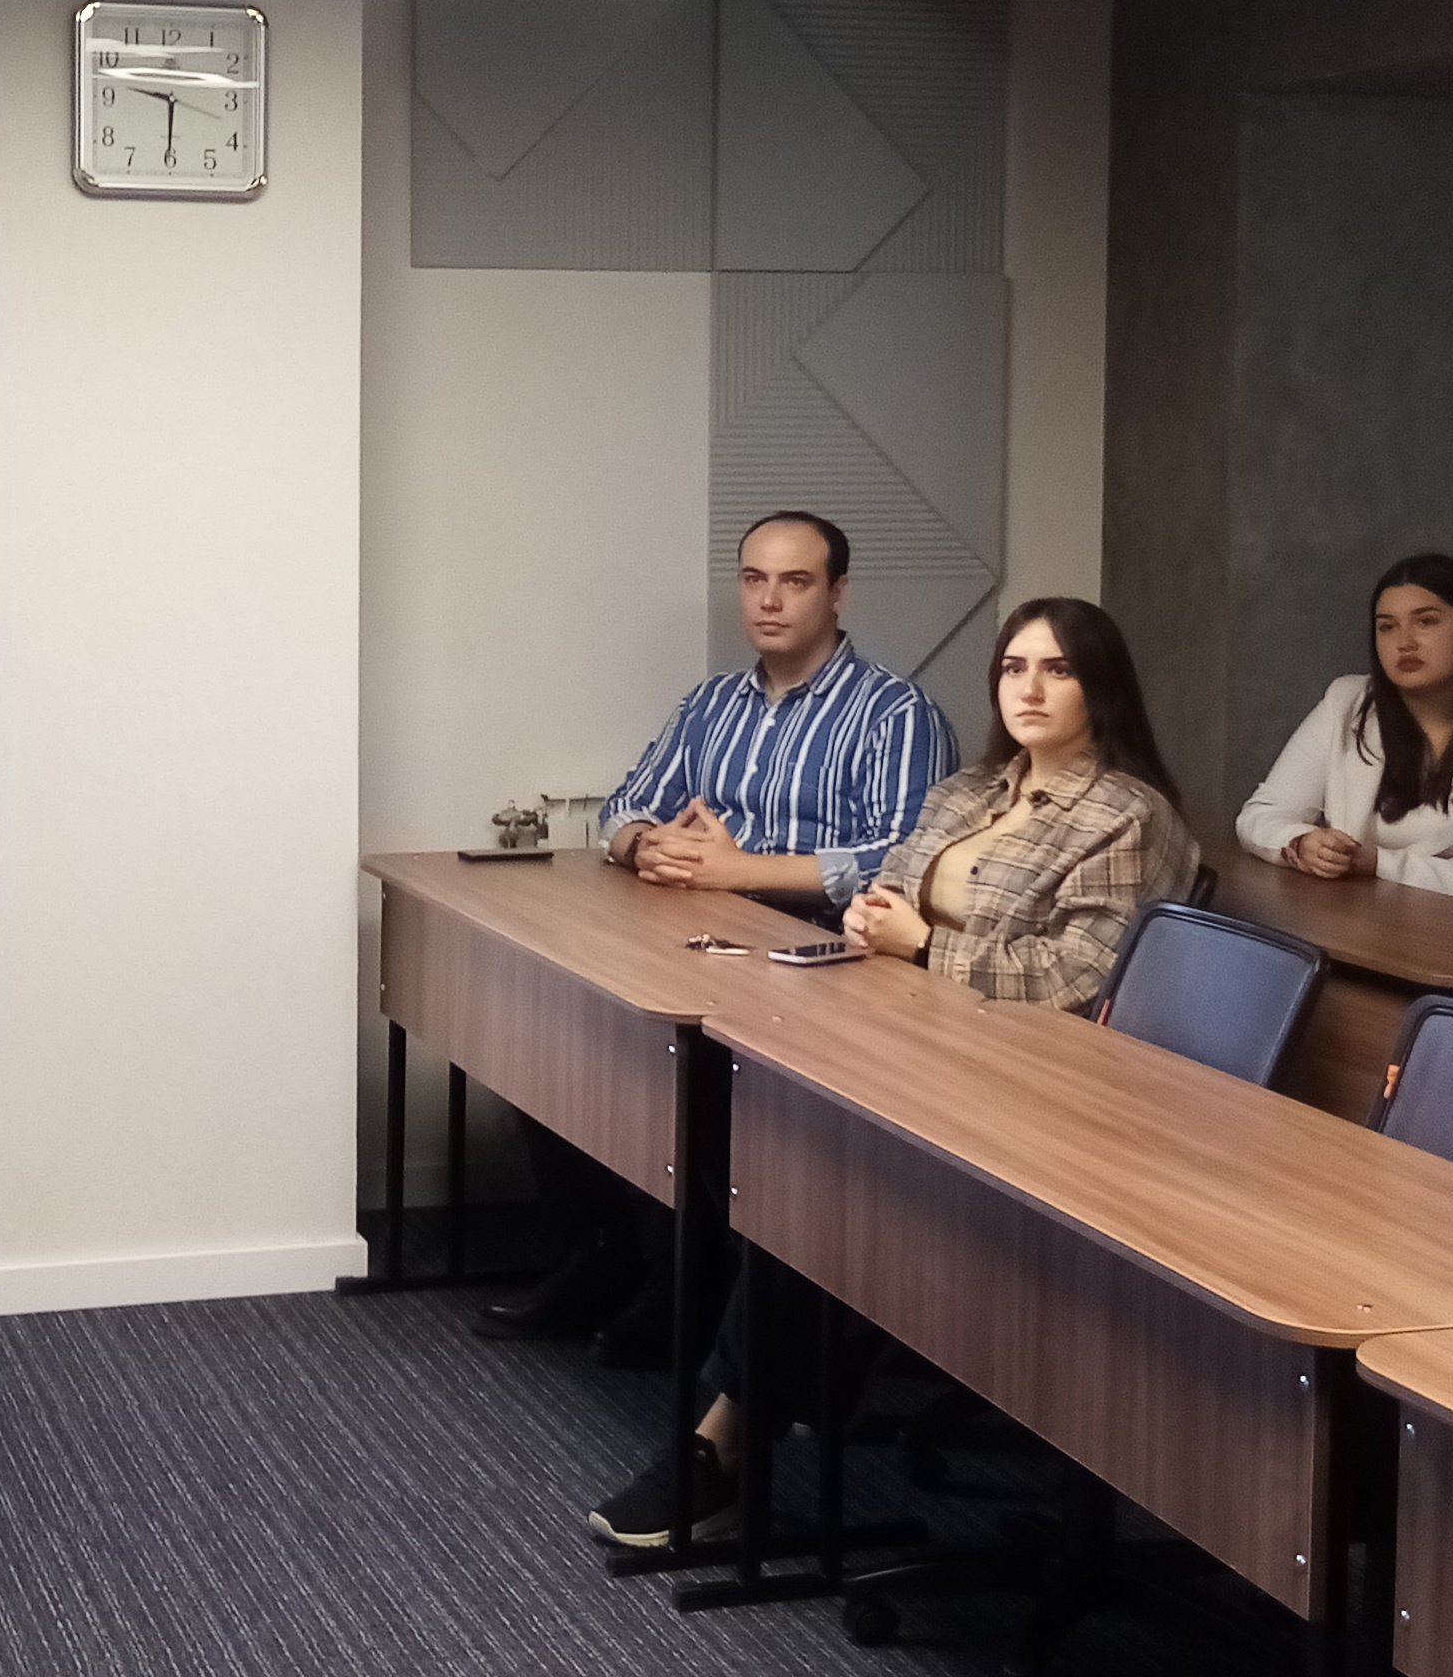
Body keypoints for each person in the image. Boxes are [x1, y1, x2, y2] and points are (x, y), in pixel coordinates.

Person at [588, 596, 1190, 1550]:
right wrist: (875, 918)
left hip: (1037, 1087)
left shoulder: (1127, 814)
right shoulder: (969, 792)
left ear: (1101, 687)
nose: (1030, 689)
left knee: (821, 1185)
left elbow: (1082, 977)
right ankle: (774, 1393)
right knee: (774, 1145)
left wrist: (925, 945)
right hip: (923, 1045)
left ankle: (723, 1443)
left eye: (1059, 669)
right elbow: (888, 891)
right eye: (1014, 668)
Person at [475, 510, 951, 1353]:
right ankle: (604, 1255)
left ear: (839, 594)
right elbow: (629, 802)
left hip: (819, 959)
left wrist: (741, 869)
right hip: (693, 936)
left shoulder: (894, 714)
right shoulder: (711, 704)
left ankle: (690, 1287)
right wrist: (645, 843)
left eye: (795, 582)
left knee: (680, 1072)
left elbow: (903, 859)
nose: (769, 601)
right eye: (754, 580)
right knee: (548, 1022)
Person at [1233, 553, 1453, 912]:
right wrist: (1301, 843)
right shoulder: (1345, 702)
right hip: (1355, 924)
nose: (1404, 642)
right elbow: (1260, 815)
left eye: (1425, 621)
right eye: (1387, 627)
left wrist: (1379, 863)